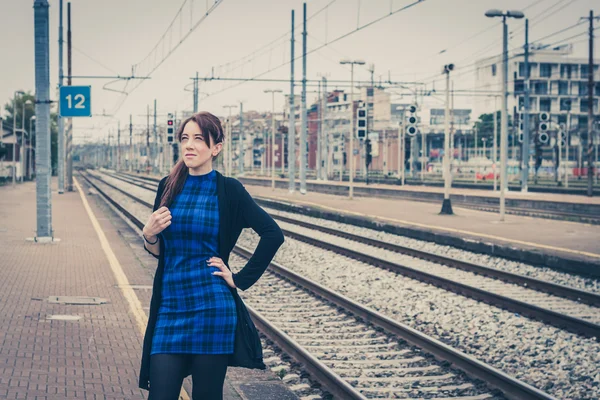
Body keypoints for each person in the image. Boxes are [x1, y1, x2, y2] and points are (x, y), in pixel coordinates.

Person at [138, 111, 284, 399]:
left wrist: (239, 279)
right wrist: (149, 234)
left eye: (198, 139)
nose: (189, 146)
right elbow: (159, 252)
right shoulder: (168, 186)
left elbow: (272, 234)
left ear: (216, 148)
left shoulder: (229, 190)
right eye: (184, 139)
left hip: (212, 309)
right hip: (170, 307)